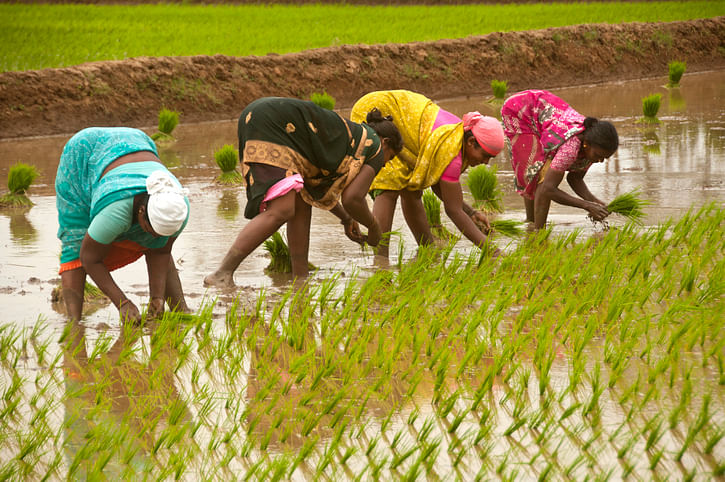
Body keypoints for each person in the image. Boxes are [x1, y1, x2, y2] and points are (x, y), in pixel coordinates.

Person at [203, 96, 403, 286]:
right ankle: (222, 273)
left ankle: (300, 278)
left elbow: (315, 191)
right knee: (282, 210)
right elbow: (353, 199)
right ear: (385, 142)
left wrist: (346, 219)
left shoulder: (350, 140)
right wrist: (375, 227)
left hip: (262, 116)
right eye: (390, 158)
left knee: (301, 202)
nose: (384, 165)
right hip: (275, 125)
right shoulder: (375, 146)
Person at [56, 127, 190, 323]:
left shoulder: (178, 206)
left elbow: (160, 251)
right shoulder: (115, 211)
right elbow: (88, 257)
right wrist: (122, 303)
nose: (154, 236)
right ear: (141, 212)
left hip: (137, 140)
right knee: (75, 241)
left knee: (156, 243)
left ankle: (181, 310)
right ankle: (74, 325)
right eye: (151, 230)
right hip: (83, 154)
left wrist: (157, 298)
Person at [350, 90, 505, 258]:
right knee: (388, 186)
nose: (486, 162)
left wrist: (471, 213)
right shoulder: (451, 150)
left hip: (404, 120)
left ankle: (428, 250)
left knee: (411, 190)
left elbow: (440, 186)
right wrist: (492, 251)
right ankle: (381, 261)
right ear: (471, 142)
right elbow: (453, 210)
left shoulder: (457, 141)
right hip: (381, 110)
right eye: (485, 156)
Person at [501, 89, 619, 229]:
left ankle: (532, 223)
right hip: (520, 110)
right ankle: (538, 232)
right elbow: (548, 189)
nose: (600, 161)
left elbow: (575, 178)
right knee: (536, 173)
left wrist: (593, 201)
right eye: (598, 156)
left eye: (604, 158)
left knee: (540, 174)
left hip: (543, 112)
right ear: (587, 144)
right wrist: (587, 206)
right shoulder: (571, 148)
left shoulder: (589, 148)